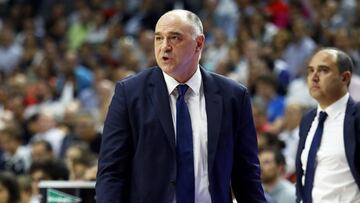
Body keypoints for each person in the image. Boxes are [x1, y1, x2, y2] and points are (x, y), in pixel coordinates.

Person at [96, 9, 266, 203]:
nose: (164, 47)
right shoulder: (130, 93)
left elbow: (246, 174)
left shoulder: (233, 96)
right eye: (159, 38)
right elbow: (111, 172)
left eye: (174, 38)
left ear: (199, 44)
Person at [295, 48, 360, 202]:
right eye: (310, 71)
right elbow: (302, 175)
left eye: (323, 70)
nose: (314, 77)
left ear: (345, 78)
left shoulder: (357, 116)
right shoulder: (308, 119)